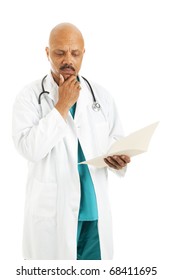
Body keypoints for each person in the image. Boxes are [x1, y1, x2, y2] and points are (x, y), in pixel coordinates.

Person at [12, 22, 130, 260]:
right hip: (52, 215)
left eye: (75, 53)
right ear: (47, 53)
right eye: (59, 53)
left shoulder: (102, 97)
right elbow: (30, 149)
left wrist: (120, 161)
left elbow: (116, 142)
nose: (68, 59)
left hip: (93, 215)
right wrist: (62, 105)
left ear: (83, 53)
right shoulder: (29, 97)